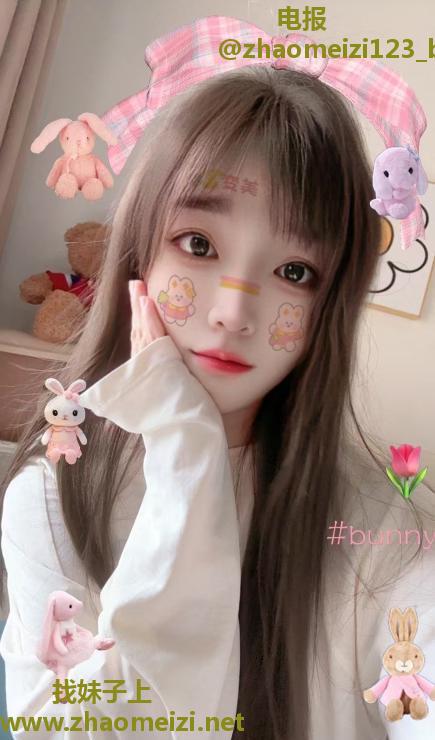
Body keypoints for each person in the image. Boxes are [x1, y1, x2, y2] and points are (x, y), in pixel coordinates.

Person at [1, 30, 435, 740]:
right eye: (198, 245)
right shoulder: (54, 498)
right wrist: (186, 452)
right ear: (139, 256)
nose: (233, 312)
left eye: (294, 271)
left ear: (328, 305)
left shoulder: (382, 528)